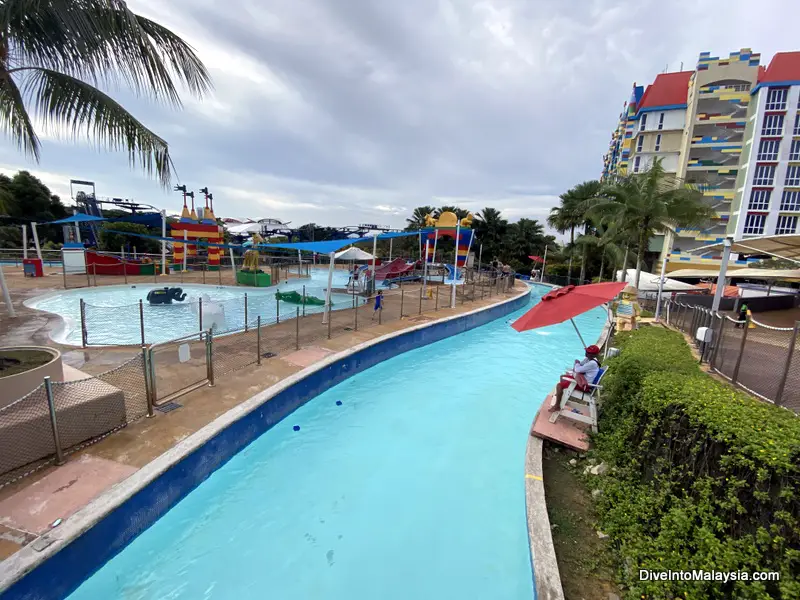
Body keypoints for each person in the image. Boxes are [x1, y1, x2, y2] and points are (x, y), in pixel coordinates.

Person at [551, 345, 601, 411]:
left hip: (585, 385)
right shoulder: (589, 359)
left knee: (559, 385)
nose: (586, 353)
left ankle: (557, 406)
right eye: (587, 351)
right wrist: (578, 365)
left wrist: (576, 363)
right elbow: (579, 366)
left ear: (594, 355)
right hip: (582, 380)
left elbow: (577, 369)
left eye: (589, 352)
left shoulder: (592, 363)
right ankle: (562, 397)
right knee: (562, 377)